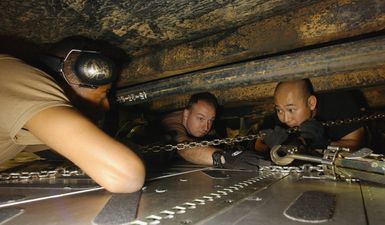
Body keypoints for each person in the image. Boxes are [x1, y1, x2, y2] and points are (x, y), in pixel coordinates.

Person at [0, 37, 145, 193]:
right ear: (67, 84)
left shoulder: (20, 110)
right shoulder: (12, 76)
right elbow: (125, 175)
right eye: (103, 94)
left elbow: (54, 149)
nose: (106, 105)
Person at [255, 79, 365, 153]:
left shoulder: (338, 103)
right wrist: (273, 147)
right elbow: (257, 144)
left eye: (291, 110)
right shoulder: (281, 115)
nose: (285, 119)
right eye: (279, 110)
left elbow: (357, 145)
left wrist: (325, 144)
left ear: (311, 103)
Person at [160, 92, 265, 169]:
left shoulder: (202, 125)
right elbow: (182, 146)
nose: (206, 127)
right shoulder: (172, 123)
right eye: (200, 118)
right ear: (186, 114)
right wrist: (227, 157)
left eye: (211, 120)